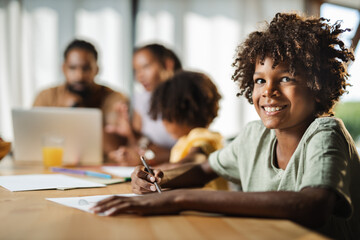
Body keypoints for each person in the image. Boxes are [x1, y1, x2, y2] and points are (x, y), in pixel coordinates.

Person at [91, 13, 360, 239]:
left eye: (286, 78)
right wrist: (157, 178)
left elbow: (312, 206)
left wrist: (179, 199)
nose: (269, 92)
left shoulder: (326, 134)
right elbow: (204, 168)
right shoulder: (255, 136)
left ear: (317, 87)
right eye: (259, 80)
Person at [33, 39, 128, 156]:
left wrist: (80, 110)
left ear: (97, 70)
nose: (79, 76)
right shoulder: (46, 96)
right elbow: (31, 140)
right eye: (73, 68)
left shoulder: (114, 98)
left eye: (86, 68)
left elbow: (114, 149)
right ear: (63, 68)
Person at [106, 44, 182, 166]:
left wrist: (146, 157)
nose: (139, 76)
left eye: (146, 67)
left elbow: (189, 151)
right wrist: (130, 135)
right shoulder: (141, 99)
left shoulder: (186, 98)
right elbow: (139, 145)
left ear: (168, 64)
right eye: (136, 70)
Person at [149, 70, 227, 189]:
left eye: (165, 116)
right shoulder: (185, 140)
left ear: (179, 114)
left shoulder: (202, 136)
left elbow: (196, 159)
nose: (163, 122)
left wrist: (156, 171)